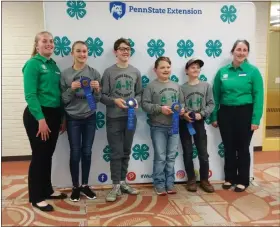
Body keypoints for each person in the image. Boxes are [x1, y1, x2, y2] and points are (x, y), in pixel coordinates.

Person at [211, 39, 264, 192]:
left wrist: (255, 119)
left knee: (242, 147)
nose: (241, 53)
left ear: (247, 53)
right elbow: (215, 95)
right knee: (228, 147)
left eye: (244, 50)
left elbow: (258, 96)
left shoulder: (253, 71)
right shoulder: (223, 72)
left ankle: (243, 180)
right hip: (226, 113)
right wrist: (214, 116)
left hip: (245, 113)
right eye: (238, 49)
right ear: (232, 51)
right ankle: (229, 178)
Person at [22, 31, 67, 212]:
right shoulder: (33, 64)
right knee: (39, 156)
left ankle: (47, 189)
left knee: (47, 155)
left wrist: (62, 117)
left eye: (51, 41)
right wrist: (40, 119)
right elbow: (30, 95)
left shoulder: (54, 65)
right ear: (37, 45)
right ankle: (36, 197)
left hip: (54, 115)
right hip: (38, 115)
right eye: (44, 41)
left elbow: (58, 94)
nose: (49, 44)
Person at [100, 38, 142, 202]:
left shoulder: (135, 72)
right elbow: (102, 96)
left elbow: (139, 93)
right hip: (114, 118)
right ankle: (115, 185)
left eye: (128, 49)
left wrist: (136, 101)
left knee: (126, 151)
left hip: (130, 118)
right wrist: (114, 101)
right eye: (122, 49)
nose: (126, 51)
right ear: (115, 52)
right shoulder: (109, 72)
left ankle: (123, 182)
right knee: (116, 152)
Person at [60, 41, 101, 202]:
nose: (82, 54)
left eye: (84, 51)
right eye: (78, 51)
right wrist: (72, 88)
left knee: (87, 152)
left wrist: (97, 89)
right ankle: (75, 186)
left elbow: (97, 100)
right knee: (75, 152)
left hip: (90, 117)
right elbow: (63, 99)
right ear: (72, 53)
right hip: (72, 118)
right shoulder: (65, 74)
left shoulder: (94, 73)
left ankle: (85, 184)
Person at [142, 56, 185, 195]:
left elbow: (182, 103)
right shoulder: (151, 86)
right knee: (160, 156)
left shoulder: (176, 86)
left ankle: (170, 183)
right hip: (158, 127)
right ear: (155, 70)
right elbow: (145, 105)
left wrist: (182, 110)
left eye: (168, 67)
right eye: (162, 67)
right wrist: (160, 109)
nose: (166, 70)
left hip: (174, 126)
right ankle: (159, 183)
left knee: (171, 156)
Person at [179, 58, 215, 193]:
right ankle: (191, 179)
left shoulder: (206, 86)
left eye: (198, 67)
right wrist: (184, 114)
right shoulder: (182, 88)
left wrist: (202, 114)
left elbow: (211, 104)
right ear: (186, 70)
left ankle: (205, 180)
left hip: (199, 123)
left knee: (203, 153)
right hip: (186, 123)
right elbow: (180, 105)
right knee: (187, 152)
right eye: (192, 67)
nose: (195, 69)